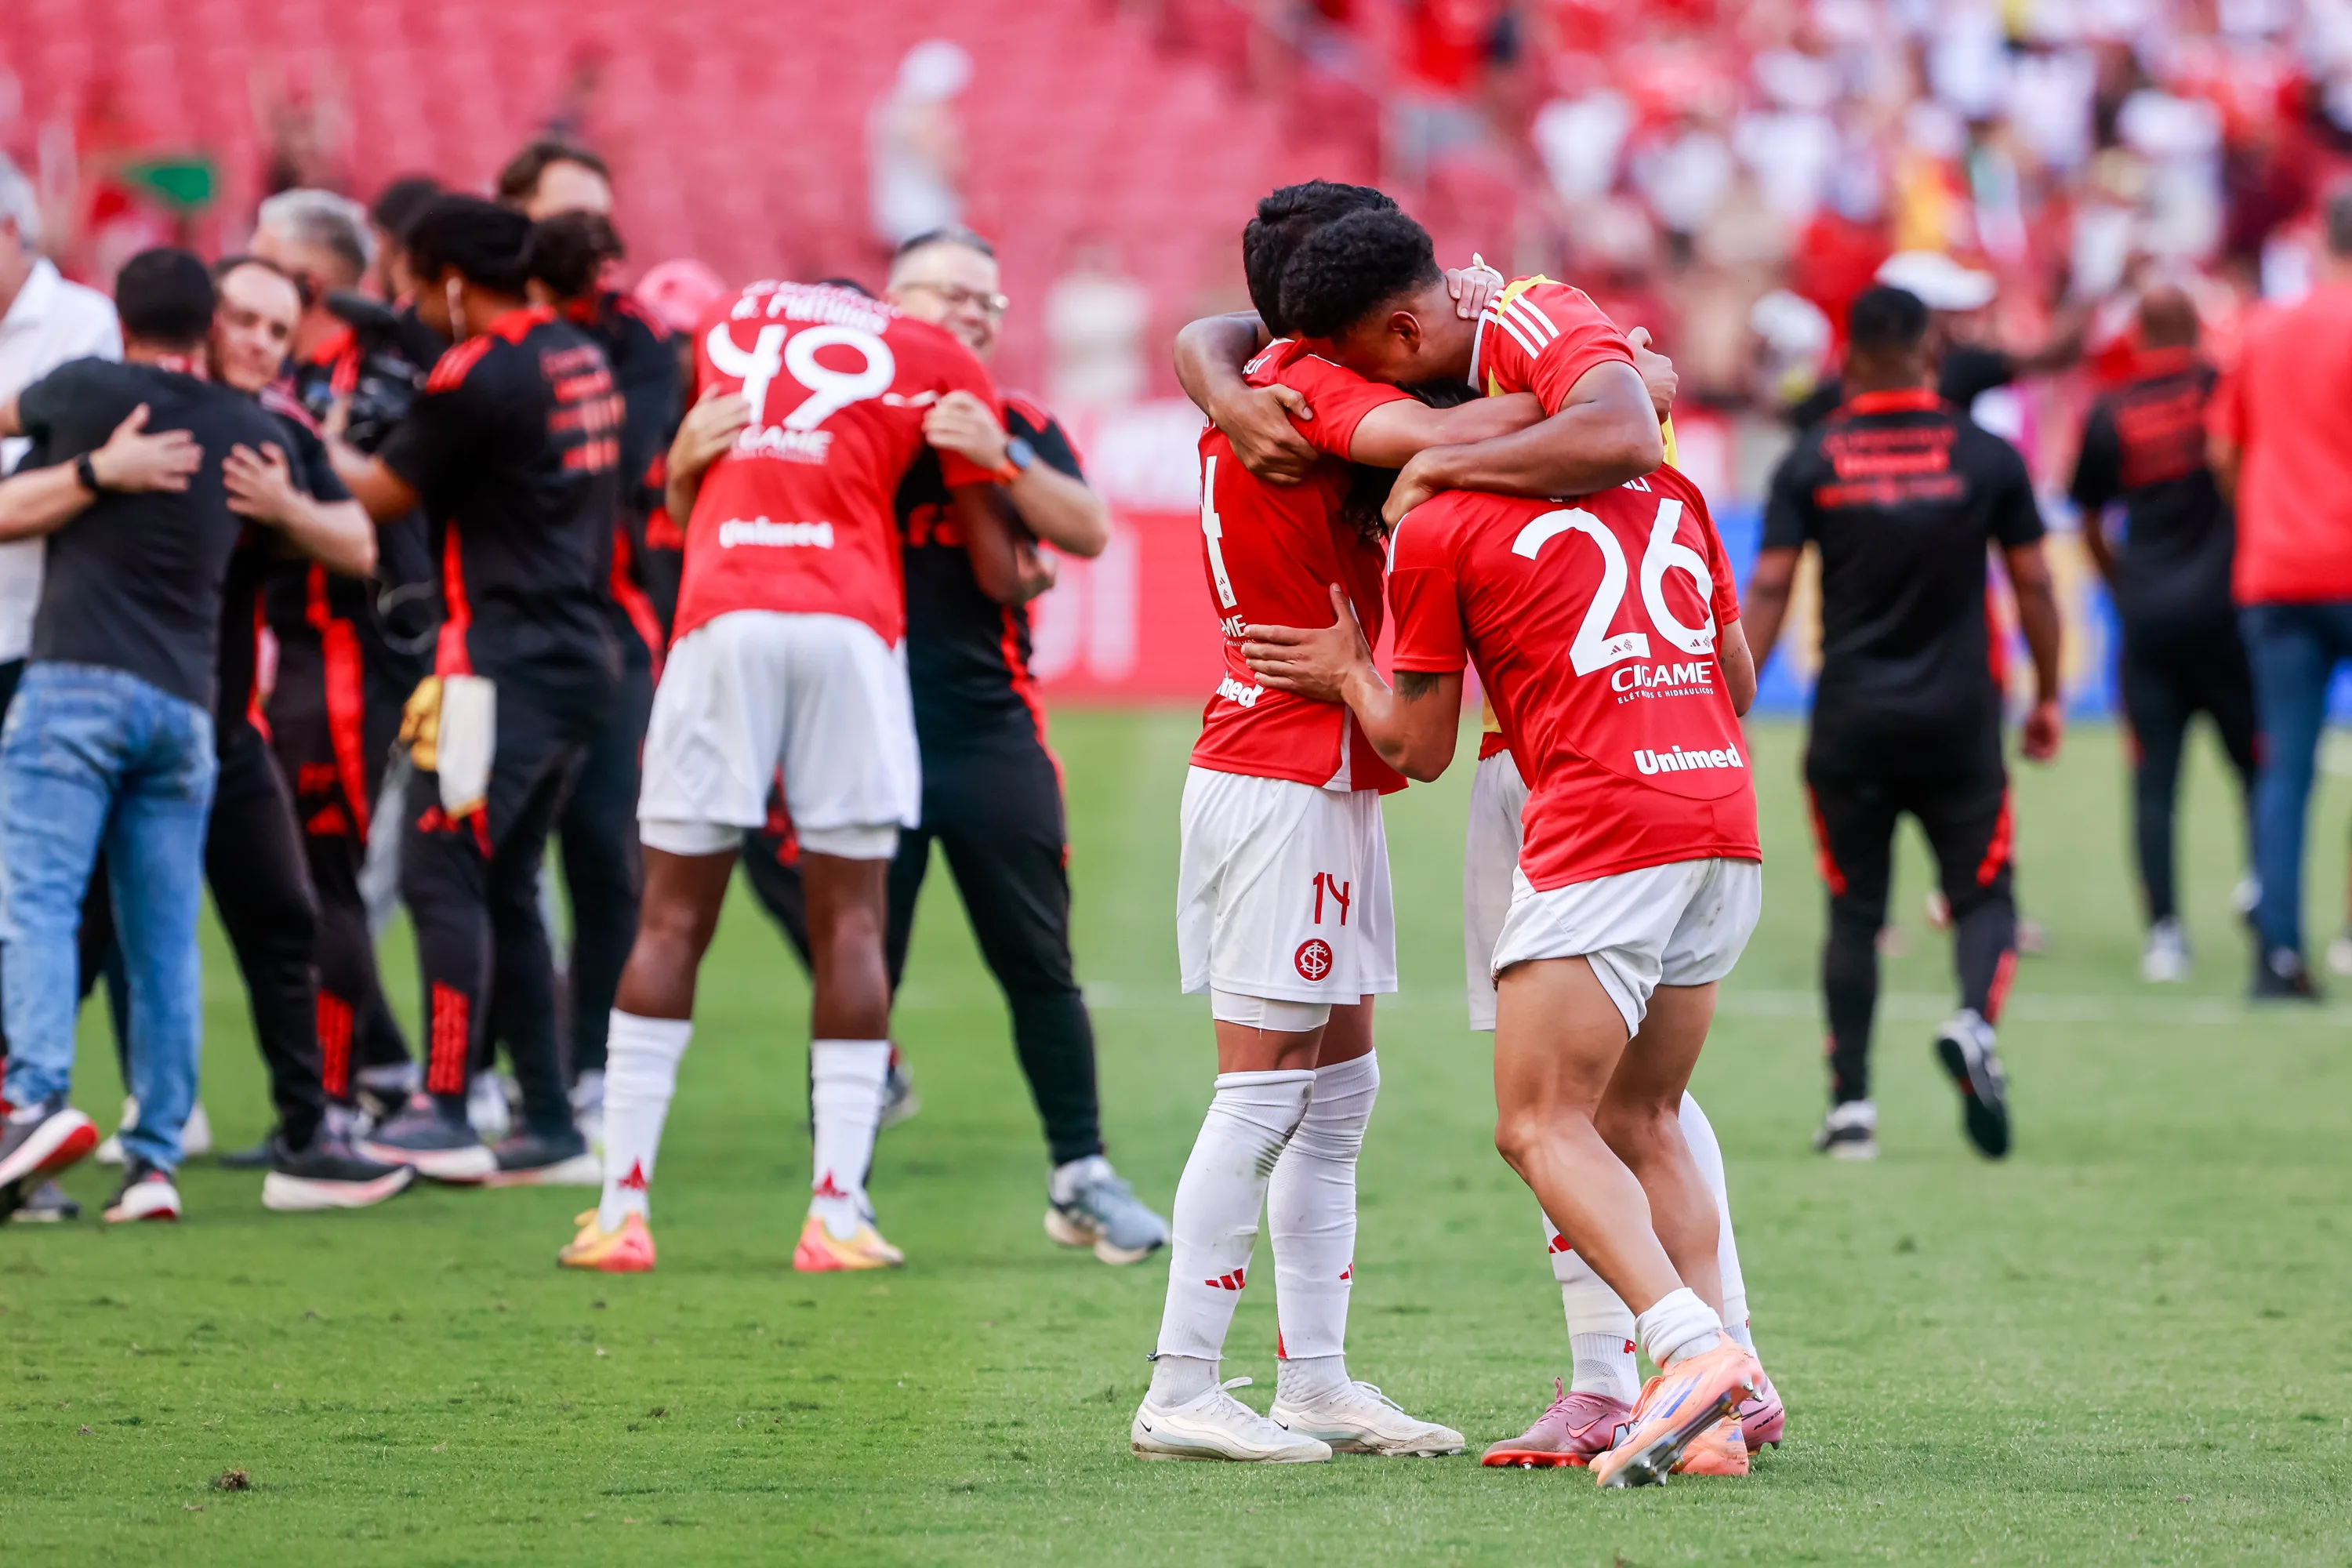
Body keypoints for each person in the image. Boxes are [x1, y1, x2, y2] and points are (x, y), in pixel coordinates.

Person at [1241, 210, 1772, 1486]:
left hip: (1580, 807)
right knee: (1641, 1111)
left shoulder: (1437, 510)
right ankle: (1706, 1393)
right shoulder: (1674, 483)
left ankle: (1684, 1352)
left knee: (1547, 1120)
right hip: (1716, 803)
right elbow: (1738, 675)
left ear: (1404, 334)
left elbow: (1419, 747)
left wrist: (1351, 670)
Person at [1133, 186, 1555, 1465]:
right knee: (1260, 1097)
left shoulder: (1262, 371)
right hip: (1285, 767)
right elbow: (1481, 433)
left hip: (1317, 764)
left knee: (1337, 1093)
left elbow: (1216, 334)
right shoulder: (1311, 385)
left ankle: (1313, 1380)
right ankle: (1181, 1386)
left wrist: (1207, 367)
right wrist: (1572, 358)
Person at [559, 277, 1039, 1275]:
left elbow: (687, 494)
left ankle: (621, 1209)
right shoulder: (938, 357)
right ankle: (836, 1211)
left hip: (723, 610)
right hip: (849, 624)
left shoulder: (733, 317)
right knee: (852, 921)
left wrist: (687, 475)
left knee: (669, 919)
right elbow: (998, 567)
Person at [735, 227, 1165, 1267]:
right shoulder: (826, 431)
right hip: (855, 734)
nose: (976, 317)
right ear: (889, 309)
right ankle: (841, 1195)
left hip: (984, 733)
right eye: (955, 297)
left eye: (990, 304)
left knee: (1038, 962)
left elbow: (1088, 530)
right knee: (856, 962)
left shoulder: (1013, 420)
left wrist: (1000, 457)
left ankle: (1081, 1174)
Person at [0, 250, 361, 1221]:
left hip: (74, 684)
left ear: (119, 315)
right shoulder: (250, 428)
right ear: (208, 328)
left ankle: (31, 1098)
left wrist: (92, 471)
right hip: (188, 712)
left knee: (37, 901)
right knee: (162, 940)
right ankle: (155, 1158)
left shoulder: (83, 391)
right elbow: (353, 536)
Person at [335, 197, 622, 1184]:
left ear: (451, 281)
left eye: (415, 281)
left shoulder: (476, 370)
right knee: (503, 882)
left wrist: (295, 440)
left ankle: (448, 1103)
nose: (411, 301)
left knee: (438, 865)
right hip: (575, 652)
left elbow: (377, 493)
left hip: (497, 663)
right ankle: (544, 1120)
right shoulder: (571, 351)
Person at [1742, 285, 2063, 1162]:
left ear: (1849, 357)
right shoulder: (1984, 453)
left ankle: (1851, 1108)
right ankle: (1972, 1020)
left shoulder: (1813, 457)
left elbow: (1769, 585)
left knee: (1854, 909)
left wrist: (1731, 700)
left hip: (1850, 720)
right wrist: (2046, 694)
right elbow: (2034, 581)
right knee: (1982, 892)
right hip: (1961, 719)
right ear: (1930, 352)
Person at [499, 143, 679, 1142]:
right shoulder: (483, 333)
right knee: (487, 858)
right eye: (564, 217)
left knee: (606, 853)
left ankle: (590, 1066)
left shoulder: (640, 339)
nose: (589, 245)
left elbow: (616, 461)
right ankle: (482, 1070)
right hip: (489, 629)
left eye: (597, 221)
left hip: (611, 629)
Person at [251, 187, 441, 1123]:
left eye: (262, 262)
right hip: (292, 644)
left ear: (308, 278)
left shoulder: (382, 371)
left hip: (349, 648)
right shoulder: (292, 370)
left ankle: (335, 1102)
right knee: (299, 878)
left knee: (327, 877)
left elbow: (369, 505)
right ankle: (385, 1069)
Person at [0, 150, 125, 1222]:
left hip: (43, 644)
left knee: (39, 899)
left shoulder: (83, 330)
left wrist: (65, 484)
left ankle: (27, 1125)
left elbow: (75, 496)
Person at [2070, 285, 2256, 983]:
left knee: (2155, 783)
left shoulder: (2111, 408)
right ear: (2197, 329)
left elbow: (2086, 515)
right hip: (2228, 611)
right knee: (2258, 766)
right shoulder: (2221, 389)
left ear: (2140, 334)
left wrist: (2120, 585)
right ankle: (2263, 886)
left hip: (2148, 618)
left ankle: (2165, 935)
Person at [2209, 186, 2352, 1000]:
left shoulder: (2265, 329)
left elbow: (2222, 449)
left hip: (2277, 569)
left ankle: (2278, 952)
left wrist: (2266, 515)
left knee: (2284, 767)